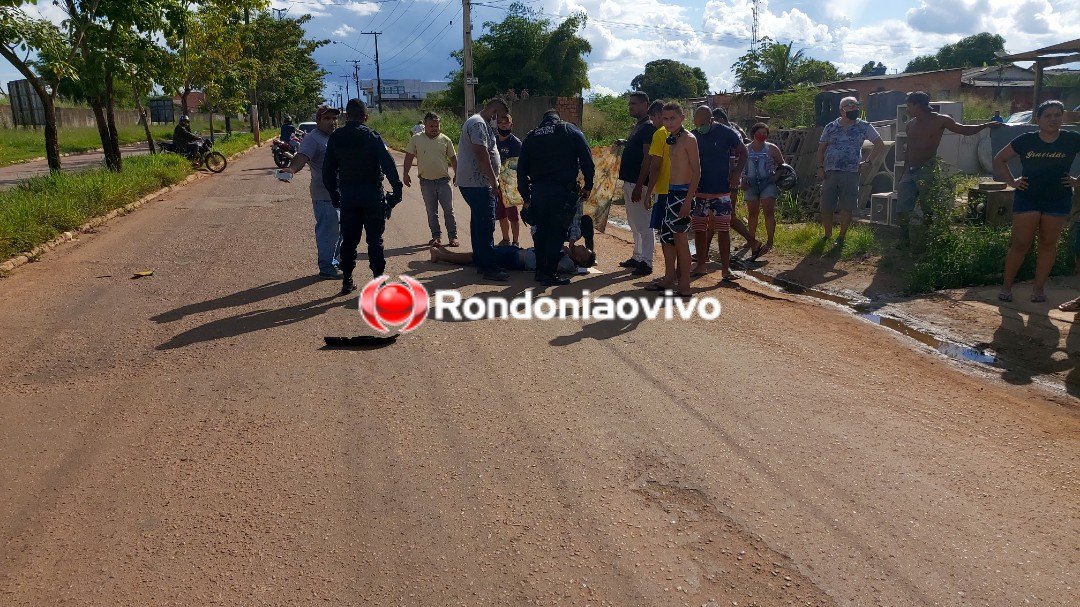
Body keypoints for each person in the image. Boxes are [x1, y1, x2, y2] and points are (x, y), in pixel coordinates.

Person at [993, 100, 1080, 303]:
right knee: (1020, 244)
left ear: (1062, 117)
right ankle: (1006, 287)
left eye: (1057, 115)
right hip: (1028, 196)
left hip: (1058, 199)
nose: (1053, 119)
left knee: (1048, 244)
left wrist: (1077, 181)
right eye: (1047, 115)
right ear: (1038, 119)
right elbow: (1000, 158)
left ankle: (1038, 289)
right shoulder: (1026, 140)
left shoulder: (1071, 139)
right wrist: (1012, 181)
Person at [323, 98, 403, 296]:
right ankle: (378, 282)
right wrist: (397, 190)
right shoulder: (372, 136)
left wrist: (334, 194)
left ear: (346, 116)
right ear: (365, 117)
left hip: (349, 195)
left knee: (349, 240)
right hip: (371, 195)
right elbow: (389, 165)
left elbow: (327, 171)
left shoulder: (336, 137)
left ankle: (347, 281)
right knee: (375, 240)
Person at [516, 109, 595, 286]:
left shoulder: (531, 137)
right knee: (556, 233)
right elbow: (587, 160)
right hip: (562, 193)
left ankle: (540, 271)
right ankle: (549, 274)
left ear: (543, 120)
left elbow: (520, 171)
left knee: (541, 233)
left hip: (538, 192)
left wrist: (526, 198)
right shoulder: (569, 130)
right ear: (558, 118)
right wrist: (588, 185)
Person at [899, 91, 1001, 224]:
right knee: (902, 210)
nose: (907, 109)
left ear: (918, 106)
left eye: (909, 106)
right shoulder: (910, 124)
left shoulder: (940, 120)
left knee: (928, 209)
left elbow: (964, 130)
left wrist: (985, 125)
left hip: (926, 170)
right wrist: (903, 173)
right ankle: (904, 242)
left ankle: (928, 239)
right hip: (909, 172)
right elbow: (909, 150)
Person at [281, 105, 342, 279]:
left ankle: (335, 262)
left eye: (334, 118)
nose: (332, 122)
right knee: (328, 232)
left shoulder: (333, 137)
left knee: (340, 231)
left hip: (339, 194)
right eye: (327, 119)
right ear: (318, 121)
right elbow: (301, 157)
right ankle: (327, 267)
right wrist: (291, 169)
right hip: (324, 196)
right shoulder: (313, 139)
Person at [645, 102, 698, 298]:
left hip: (682, 194)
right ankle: (669, 278)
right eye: (665, 119)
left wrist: (687, 201)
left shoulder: (689, 139)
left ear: (682, 117)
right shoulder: (670, 138)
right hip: (669, 192)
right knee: (667, 238)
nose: (668, 122)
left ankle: (684, 285)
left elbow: (697, 172)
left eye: (672, 118)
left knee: (681, 241)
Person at [816, 96, 884, 244]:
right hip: (830, 171)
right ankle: (827, 235)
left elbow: (879, 144)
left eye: (856, 106)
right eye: (850, 106)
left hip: (851, 172)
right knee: (826, 206)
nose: (855, 109)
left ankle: (841, 237)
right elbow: (821, 149)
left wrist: (868, 161)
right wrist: (820, 167)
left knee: (847, 205)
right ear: (842, 110)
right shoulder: (831, 127)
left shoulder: (864, 126)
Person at [457, 97, 510, 281]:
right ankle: (488, 267)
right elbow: (481, 154)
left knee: (479, 223)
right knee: (486, 224)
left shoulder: (483, 124)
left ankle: (481, 260)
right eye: (500, 116)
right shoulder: (478, 124)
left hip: (477, 183)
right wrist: (494, 182)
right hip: (478, 184)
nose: (501, 121)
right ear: (493, 111)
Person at [689, 105, 744, 281]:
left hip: (721, 190)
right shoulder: (693, 135)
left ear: (711, 120)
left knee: (723, 229)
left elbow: (743, 152)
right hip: (699, 191)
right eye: (697, 124)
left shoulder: (726, 133)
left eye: (703, 124)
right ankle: (701, 265)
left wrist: (736, 174)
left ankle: (726, 270)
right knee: (699, 228)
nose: (700, 127)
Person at [615, 91, 658, 276]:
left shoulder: (648, 127)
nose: (630, 106)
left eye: (633, 103)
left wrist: (640, 185)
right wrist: (624, 143)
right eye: (629, 103)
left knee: (644, 224)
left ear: (644, 104)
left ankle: (647, 262)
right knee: (634, 223)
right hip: (630, 182)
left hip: (639, 184)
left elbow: (647, 159)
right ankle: (638, 256)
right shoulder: (638, 127)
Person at [404, 111, 459, 247]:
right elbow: (409, 156)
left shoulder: (446, 140)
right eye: (431, 126)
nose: (434, 129)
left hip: (443, 181)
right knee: (431, 211)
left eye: (436, 126)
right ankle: (436, 236)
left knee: (449, 210)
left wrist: (457, 173)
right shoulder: (416, 139)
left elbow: (453, 158)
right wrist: (405, 173)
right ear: (425, 126)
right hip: (426, 182)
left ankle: (453, 236)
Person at [743, 123, 786, 259]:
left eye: (765, 133)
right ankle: (751, 240)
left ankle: (770, 241)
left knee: (768, 213)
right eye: (760, 132)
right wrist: (742, 180)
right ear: (753, 133)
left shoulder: (772, 148)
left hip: (768, 184)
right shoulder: (745, 149)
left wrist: (776, 177)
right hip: (750, 185)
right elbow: (741, 168)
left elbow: (782, 165)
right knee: (752, 214)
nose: (763, 135)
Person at [429, 241, 595, 275]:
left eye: (583, 250)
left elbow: (553, 266)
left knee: (479, 256)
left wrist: (562, 252)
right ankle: (446, 255)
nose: (580, 246)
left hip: (516, 260)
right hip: (517, 252)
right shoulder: (567, 253)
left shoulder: (567, 263)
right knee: (482, 252)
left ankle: (441, 256)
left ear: (579, 259)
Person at [638, 100, 669, 270]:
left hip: (663, 191)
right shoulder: (680, 133)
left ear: (658, 115)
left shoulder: (659, 134)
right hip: (679, 190)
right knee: (677, 235)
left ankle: (668, 274)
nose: (652, 122)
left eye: (653, 118)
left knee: (665, 235)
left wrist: (648, 192)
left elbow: (655, 166)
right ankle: (677, 273)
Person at [495, 113, 523, 247]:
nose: (503, 125)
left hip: (510, 184)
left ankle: (515, 242)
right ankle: (505, 239)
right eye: (500, 123)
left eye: (506, 123)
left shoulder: (516, 143)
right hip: (495, 183)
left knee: (512, 215)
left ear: (512, 124)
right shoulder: (493, 141)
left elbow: (518, 165)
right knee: (500, 214)